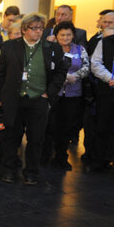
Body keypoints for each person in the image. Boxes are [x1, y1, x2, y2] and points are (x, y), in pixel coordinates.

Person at [0, 12, 67, 185]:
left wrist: (49, 92)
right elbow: (0, 73)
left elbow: (61, 72)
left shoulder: (52, 48)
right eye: (34, 28)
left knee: (36, 138)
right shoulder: (10, 46)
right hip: (14, 99)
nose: (38, 32)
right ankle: (9, 170)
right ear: (24, 29)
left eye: (41, 28)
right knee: (11, 136)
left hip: (39, 100)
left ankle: (32, 172)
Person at [41, 21, 89, 170]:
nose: (65, 37)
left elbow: (87, 67)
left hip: (72, 95)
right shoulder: (49, 49)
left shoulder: (79, 49)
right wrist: (60, 78)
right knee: (49, 126)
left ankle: (61, 158)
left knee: (66, 128)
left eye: (69, 34)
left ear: (73, 35)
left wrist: (74, 76)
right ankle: (44, 157)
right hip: (53, 94)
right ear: (56, 35)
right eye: (62, 34)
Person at [86, 10, 114, 177]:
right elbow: (95, 63)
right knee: (102, 126)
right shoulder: (106, 41)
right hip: (106, 90)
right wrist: (111, 79)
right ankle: (99, 161)